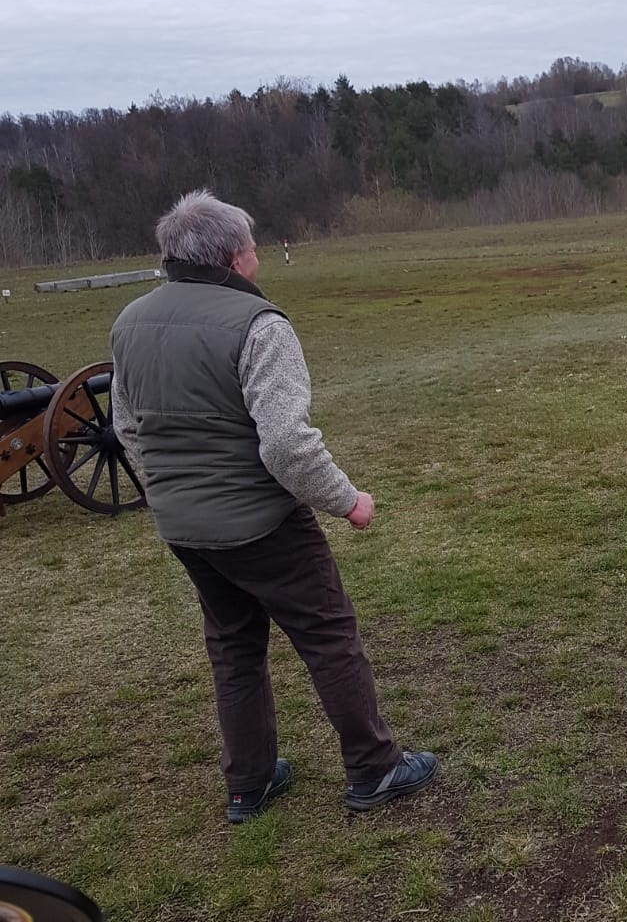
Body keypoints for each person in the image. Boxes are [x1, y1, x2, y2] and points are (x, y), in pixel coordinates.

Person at [110, 189, 437, 824]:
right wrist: (348, 501)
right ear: (235, 259)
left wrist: (173, 487)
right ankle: (374, 770)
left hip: (183, 526)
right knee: (330, 637)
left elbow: (128, 429)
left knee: (232, 646)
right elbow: (286, 444)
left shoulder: (130, 322)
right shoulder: (260, 326)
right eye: (254, 249)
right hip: (262, 521)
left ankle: (248, 785)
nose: (257, 260)